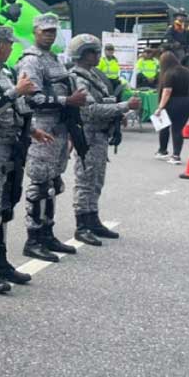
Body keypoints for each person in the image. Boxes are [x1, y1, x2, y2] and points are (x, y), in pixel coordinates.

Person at [0, 25, 54, 291]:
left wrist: (33, 130)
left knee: (4, 206)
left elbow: (16, 108)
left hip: (11, 146)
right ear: (2, 46)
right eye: (10, 45)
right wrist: (16, 91)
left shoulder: (4, 72)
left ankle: (1, 261)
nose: (12, 49)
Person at [15, 13, 89, 263]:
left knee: (53, 182)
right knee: (39, 184)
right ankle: (33, 239)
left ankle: (47, 234)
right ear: (35, 31)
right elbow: (30, 98)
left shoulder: (54, 59)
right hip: (42, 128)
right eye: (45, 31)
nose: (49, 35)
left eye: (53, 31)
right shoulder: (31, 61)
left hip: (60, 128)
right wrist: (67, 100)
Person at [68, 35, 141, 244]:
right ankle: (82, 225)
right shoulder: (78, 78)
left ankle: (92, 219)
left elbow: (105, 100)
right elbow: (90, 110)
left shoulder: (94, 75)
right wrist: (124, 106)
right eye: (92, 52)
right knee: (85, 181)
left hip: (100, 134)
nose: (97, 55)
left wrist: (117, 114)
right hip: (88, 134)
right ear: (81, 54)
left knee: (97, 180)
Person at [153, 51, 189, 164]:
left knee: (165, 126)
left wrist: (160, 107)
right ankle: (176, 154)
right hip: (187, 101)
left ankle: (164, 151)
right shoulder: (186, 71)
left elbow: (167, 91)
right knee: (178, 129)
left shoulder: (168, 73)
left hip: (173, 102)